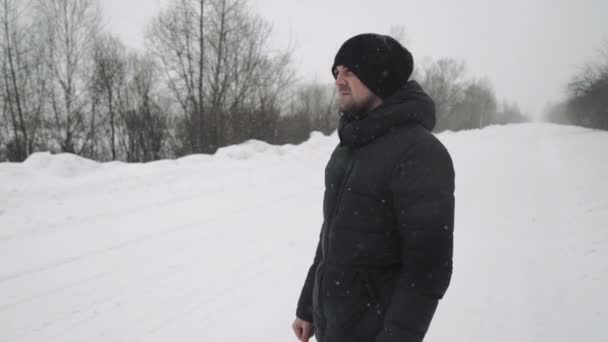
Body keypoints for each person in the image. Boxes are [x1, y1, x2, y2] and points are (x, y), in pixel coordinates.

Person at [292, 33, 455, 342]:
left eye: (350, 71)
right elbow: (333, 234)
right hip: (336, 326)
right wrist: (308, 308)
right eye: (337, 71)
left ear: (381, 77)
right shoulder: (350, 144)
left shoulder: (420, 153)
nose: (339, 79)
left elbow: (428, 268)